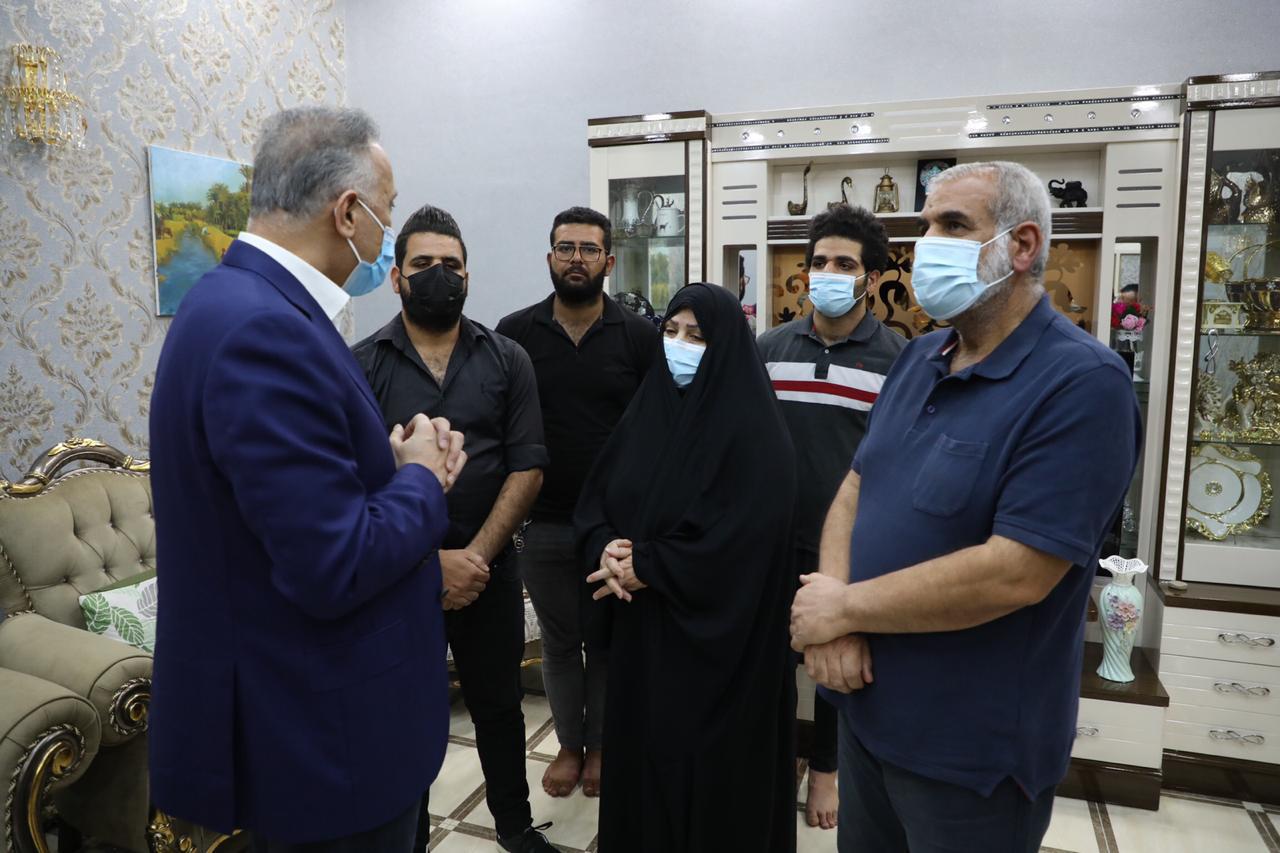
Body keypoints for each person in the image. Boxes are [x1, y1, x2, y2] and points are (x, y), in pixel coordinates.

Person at [790, 161, 1141, 853]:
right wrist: (834, 614)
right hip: (868, 715)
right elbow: (857, 486)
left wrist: (846, 608)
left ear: (1023, 245)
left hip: (971, 756)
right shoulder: (920, 356)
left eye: (953, 225)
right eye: (924, 226)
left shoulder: (1083, 383)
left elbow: (1017, 571)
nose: (926, 245)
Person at [149, 107, 466, 852]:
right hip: (327, 738)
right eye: (387, 213)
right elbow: (334, 564)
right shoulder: (264, 330)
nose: (386, 234)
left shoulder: (234, 301)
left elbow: (287, 508)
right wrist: (422, 478)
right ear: (348, 212)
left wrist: (383, 466)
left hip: (317, 719)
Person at [352, 204, 554, 853]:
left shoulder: (508, 358)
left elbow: (528, 466)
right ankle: (406, 837)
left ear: (468, 275)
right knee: (398, 714)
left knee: (499, 707)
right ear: (396, 277)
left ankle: (515, 828)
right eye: (423, 264)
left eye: (451, 265)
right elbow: (353, 481)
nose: (438, 275)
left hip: (489, 570)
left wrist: (474, 558)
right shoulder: (361, 365)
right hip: (396, 576)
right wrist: (429, 564)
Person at [578, 283, 797, 853]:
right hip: (643, 642)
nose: (678, 344)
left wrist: (652, 564)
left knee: (708, 788)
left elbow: (749, 538)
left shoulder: (756, 432)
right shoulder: (646, 412)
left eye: (697, 337)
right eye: (671, 331)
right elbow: (598, 499)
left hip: (720, 659)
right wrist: (605, 547)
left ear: (726, 347)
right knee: (644, 772)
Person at [496, 207, 660, 798]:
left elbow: (657, 432)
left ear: (608, 262)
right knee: (560, 644)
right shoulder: (514, 333)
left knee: (607, 645)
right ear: (550, 258)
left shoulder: (639, 337)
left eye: (589, 250)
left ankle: (602, 747)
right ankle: (569, 743)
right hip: (542, 521)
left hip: (613, 530)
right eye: (565, 248)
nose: (576, 259)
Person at [756, 203, 905, 830]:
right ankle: (774, 761)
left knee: (835, 669)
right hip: (768, 541)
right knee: (767, 667)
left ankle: (825, 771)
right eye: (819, 262)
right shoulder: (768, 348)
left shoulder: (899, 360)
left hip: (847, 549)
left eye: (845, 264)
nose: (828, 273)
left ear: (871, 277)